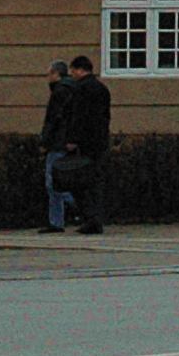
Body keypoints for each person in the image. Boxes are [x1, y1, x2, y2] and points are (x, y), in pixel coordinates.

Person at [61, 54, 113, 234]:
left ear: (79, 69)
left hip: (85, 143)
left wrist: (72, 139)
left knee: (81, 183)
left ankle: (90, 219)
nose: (72, 75)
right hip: (100, 141)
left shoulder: (80, 89)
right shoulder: (102, 88)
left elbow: (78, 117)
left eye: (73, 71)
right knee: (96, 182)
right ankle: (96, 218)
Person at [37, 58, 79, 233]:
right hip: (66, 141)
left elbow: (53, 119)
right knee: (59, 180)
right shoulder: (73, 90)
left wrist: (44, 141)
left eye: (49, 73)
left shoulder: (59, 92)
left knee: (52, 182)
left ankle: (60, 218)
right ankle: (61, 218)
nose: (47, 77)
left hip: (57, 143)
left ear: (56, 74)